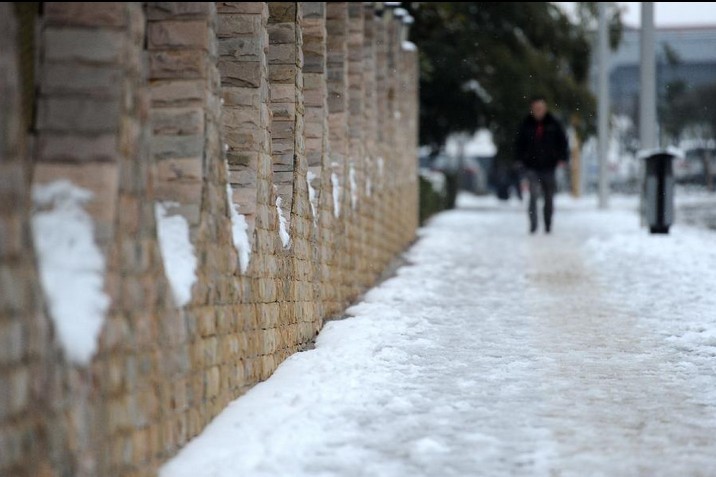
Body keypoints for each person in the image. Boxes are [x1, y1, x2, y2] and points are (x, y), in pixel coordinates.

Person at [514, 96, 569, 234]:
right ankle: (533, 225)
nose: (538, 111)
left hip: (549, 166)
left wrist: (562, 158)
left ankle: (548, 224)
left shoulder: (554, 124)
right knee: (533, 194)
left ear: (545, 109)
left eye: (541, 108)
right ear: (532, 109)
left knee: (549, 196)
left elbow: (562, 142)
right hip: (531, 166)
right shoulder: (526, 124)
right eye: (536, 108)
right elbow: (519, 144)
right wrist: (519, 160)